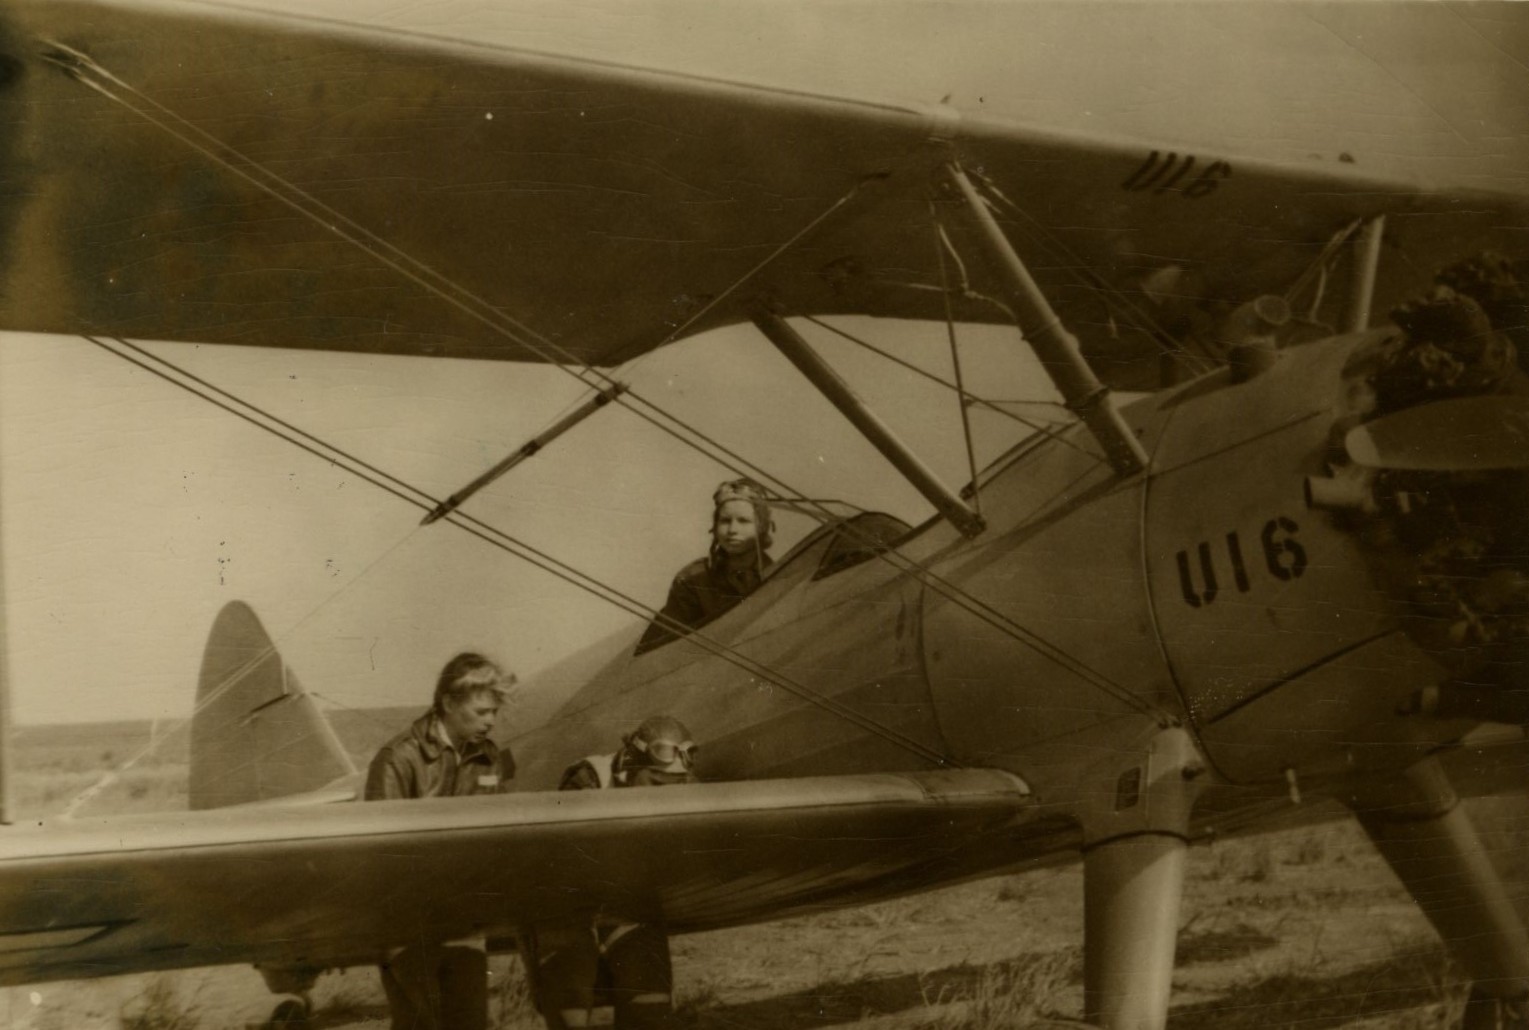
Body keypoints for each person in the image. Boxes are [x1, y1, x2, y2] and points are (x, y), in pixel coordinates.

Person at [365, 652, 516, 1030]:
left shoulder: (488, 757)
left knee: (470, 1023)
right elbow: (381, 857)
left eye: (495, 712)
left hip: (465, 923)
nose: (491, 721)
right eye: (482, 711)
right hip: (408, 927)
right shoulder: (398, 758)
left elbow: (501, 835)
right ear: (448, 702)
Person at [528, 716, 699, 1029]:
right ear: (632, 765)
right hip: (569, 901)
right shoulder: (587, 779)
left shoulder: (685, 785)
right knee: (571, 1010)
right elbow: (563, 861)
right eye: (656, 784)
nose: (663, 796)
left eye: (673, 786)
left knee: (652, 1008)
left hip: (629, 898)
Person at [635, 478, 774, 654]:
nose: (732, 529)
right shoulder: (692, 579)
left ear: (761, 527)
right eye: (725, 521)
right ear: (715, 526)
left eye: (744, 521)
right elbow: (667, 647)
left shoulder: (776, 575)